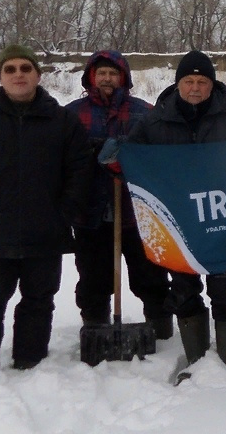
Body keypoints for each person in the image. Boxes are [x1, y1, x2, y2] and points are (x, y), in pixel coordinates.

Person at [0, 44, 90, 381]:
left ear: (38, 75)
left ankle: (30, 363)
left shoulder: (63, 121)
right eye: (10, 69)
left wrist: (64, 214)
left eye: (25, 68)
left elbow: (80, 169)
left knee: (38, 302)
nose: (18, 75)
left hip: (46, 234)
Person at [125, 50, 226, 381]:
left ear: (212, 84)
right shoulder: (155, 122)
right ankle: (197, 359)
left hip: (221, 220)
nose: (195, 88)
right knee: (184, 291)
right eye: (189, 81)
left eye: (202, 81)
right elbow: (133, 155)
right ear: (178, 83)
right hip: (177, 222)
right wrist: (118, 154)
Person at [66, 50, 171, 341]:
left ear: (123, 78)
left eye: (113, 73)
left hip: (137, 213)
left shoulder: (145, 112)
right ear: (91, 78)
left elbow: (160, 156)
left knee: (150, 275)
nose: (107, 79)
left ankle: (160, 323)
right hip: (91, 212)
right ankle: (95, 324)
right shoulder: (73, 114)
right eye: (101, 73)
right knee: (93, 278)